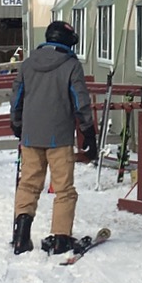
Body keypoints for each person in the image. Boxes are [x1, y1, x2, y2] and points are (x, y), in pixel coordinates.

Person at [9, 20, 98, 255]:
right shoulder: (70, 65)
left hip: (30, 136)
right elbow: (80, 101)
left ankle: (21, 237)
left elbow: (16, 97)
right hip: (59, 137)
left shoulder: (27, 65)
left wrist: (17, 124)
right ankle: (61, 239)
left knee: (28, 184)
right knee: (64, 189)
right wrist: (88, 132)